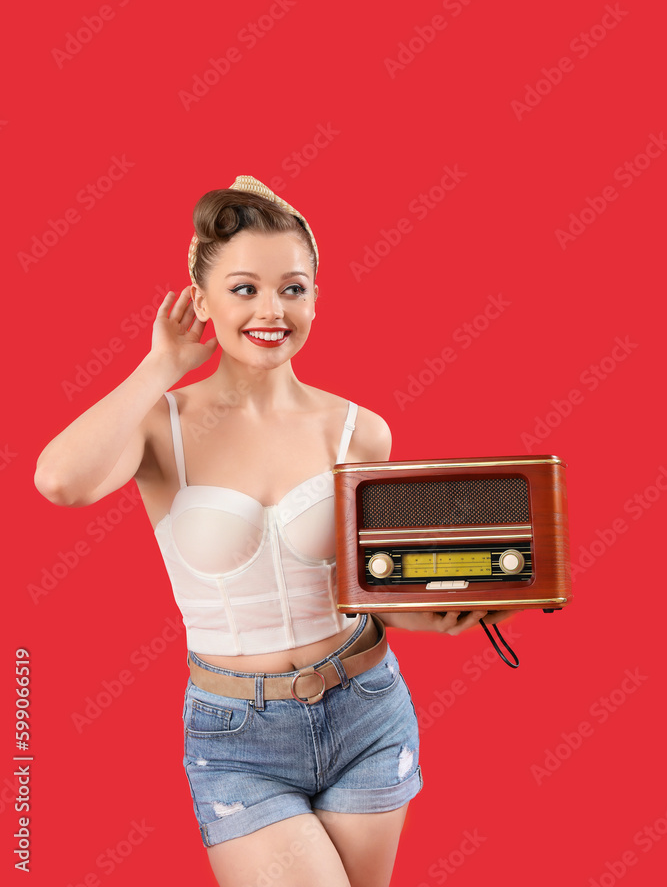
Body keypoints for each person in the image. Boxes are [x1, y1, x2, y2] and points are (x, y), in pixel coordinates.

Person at [34, 175, 518, 887]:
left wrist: (439, 616)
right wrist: (158, 365)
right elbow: (59, 482)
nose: (270, 309)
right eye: (243, 289)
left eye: (292, 288)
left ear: (316, 298)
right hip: (236, 736)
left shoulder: (358, 429)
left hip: (366, 711)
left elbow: (365, 585)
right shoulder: (159, 427)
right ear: (200, 300)